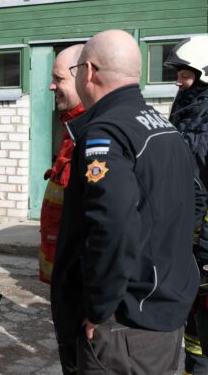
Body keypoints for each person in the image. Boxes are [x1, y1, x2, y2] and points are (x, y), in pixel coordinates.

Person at [51, 29, 200, 374]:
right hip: (162, 312)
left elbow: (112, 226)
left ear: (88, 71)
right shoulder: (163, 127)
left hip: (125, 327)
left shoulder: (106, 132)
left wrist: (100, 308)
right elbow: (193, 202)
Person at [39, 45, 85, 374]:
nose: (51, 86)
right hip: (65, 273)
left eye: (57, 78)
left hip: (79, 278)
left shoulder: (93, 133)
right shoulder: (72, 129)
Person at [165, 34, 208, 375]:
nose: (178, 79)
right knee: (193, 318)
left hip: (203, 237)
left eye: (185, 72)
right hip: (188, 233)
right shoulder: (185, 108)